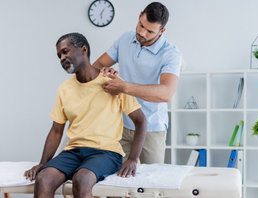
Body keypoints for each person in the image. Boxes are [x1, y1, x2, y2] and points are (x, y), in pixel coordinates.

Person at [24, 33, 146, 198]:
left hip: (106, 152)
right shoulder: (64, 89)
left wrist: (133, 159)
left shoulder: (111, 81)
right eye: (59, 55)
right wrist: (43, 163)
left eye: (65, 51)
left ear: (83, 50)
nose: (62, 58)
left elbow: (140, 121)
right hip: (73, 152)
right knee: (43, 179)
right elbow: (56, 131)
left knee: (81, 179)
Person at [93, 2, 182, 164]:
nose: (142, 33)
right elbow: (96, 67)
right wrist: (107, 74)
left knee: (150, 183)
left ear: (162, 31)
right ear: (140, 15)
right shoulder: (125, 39)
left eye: (150, 31)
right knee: (114, 178)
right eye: (141, 25)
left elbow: (166, 93)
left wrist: (123, 87)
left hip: (152, 128)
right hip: (121, 124)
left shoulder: (171, 54)